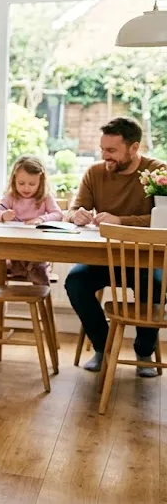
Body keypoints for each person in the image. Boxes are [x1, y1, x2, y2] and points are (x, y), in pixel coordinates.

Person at [63, 117, 167, 377]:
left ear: (133, 148)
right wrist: (77, 215)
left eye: (111, 151)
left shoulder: (158, 173)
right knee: (75, 281)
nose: (104, 156)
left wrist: (121, 221)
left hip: (145, 260)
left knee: (155, 285)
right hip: (104, 259)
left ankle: (143, 351)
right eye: (102, 149)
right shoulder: (95, 173)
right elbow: (73, 209)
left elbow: (163, 218)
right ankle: (103, 346)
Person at [0, 155, 63, 285]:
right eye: (21, 183)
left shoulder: (45, 197)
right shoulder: (11, 197)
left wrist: (41, 218)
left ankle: (32, 271)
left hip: (36, 249)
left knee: (37, 262)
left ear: (41, 182)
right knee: (0, 261)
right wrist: (2, 215)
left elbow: (58, 214)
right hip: (14, 249)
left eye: (32, 184)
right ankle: (18, 269)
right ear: (14, 180)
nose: (26, 188)